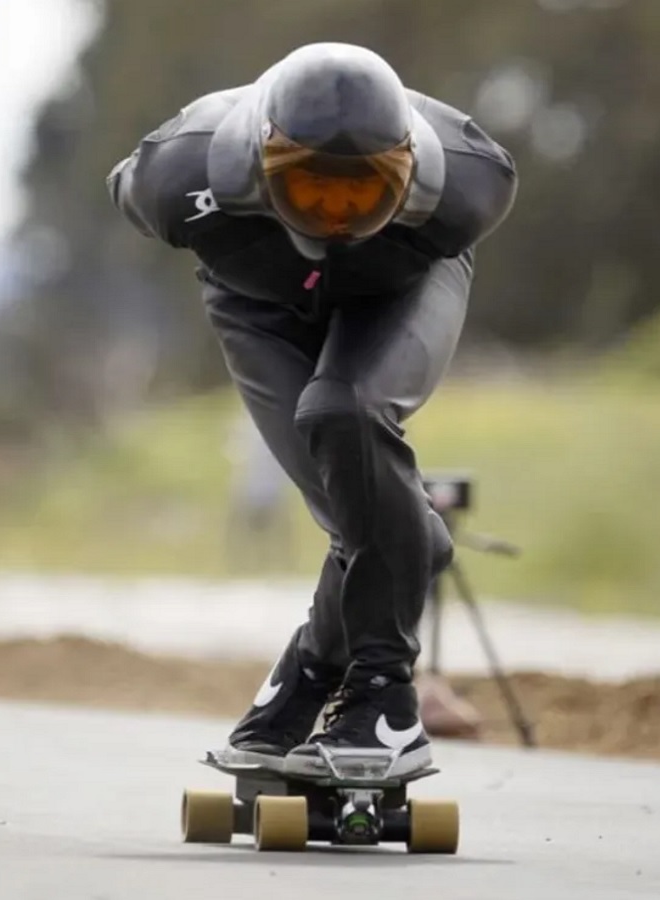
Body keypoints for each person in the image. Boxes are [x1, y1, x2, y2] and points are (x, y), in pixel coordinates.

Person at [106, 42, 517, 778]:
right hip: (254, 307)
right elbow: (122, 185)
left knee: (345, 413)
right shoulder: (177, 176)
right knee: (357, 511)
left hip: (401, 289)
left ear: (409, 175)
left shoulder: (468, 183)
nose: (334, 215)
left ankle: (385, 702)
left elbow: (402, 246)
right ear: (258, 169)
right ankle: (310, 672)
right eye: (312, 190)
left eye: (362, 194)